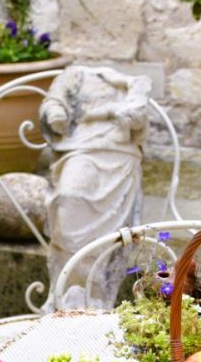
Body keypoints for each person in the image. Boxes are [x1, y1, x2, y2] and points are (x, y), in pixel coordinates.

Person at [39, 66, 152, 307]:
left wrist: (106, 109)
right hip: (79, 150)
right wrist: (55, 113)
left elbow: (136, 115)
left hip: (119, 156)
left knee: (108, 235)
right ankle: (68, 289)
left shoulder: (137, 82)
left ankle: (95, 295)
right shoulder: (75, 75)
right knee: (69, 197)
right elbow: (54, 101)